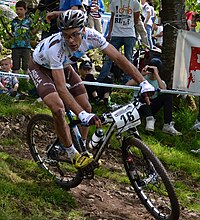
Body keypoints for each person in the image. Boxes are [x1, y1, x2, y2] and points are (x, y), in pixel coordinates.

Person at [29, 10, 154, 169]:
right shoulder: (56, 49)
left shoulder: (93, 36)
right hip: (40, 67)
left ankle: (82, 149)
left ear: (84, 30)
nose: (71, 40)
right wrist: (81, 114)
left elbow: (118, 58)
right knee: (58, 108)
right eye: (66, 35)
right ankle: (70, 153)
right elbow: (60, 88)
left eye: (75, 34)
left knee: (87, 106)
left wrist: (143, 82)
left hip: (64, 66)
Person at [126, 58, 182, 135]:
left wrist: (156, 74)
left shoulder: (161, 82)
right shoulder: (141, 79)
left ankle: (167, 124)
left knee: (168, 94)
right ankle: (149, 119)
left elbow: (164, 90)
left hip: (151, 106)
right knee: (144, 93)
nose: (151, 72)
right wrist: (141, 75)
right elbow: (127, 85)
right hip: (139, 106)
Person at [97, 0, 141, 84]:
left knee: (128, 59)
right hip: (116, 34)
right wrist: (109, 33)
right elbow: (112, 18)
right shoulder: (114, 2)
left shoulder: (135, 3)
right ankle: (101, 79)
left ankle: (126, 81)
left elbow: (136, 20)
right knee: (109, 57)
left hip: (129, 34)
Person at [11, 1, 38, 74]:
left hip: (26, 46)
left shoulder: (29, 21)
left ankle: (26, 83)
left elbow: (32, 32)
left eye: (20, 9)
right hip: (15, 46)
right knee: (15, 66)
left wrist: (38, 27)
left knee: (26, 66)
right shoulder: (14, 22)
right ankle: (15, 81)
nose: (18, 11)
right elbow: (12, 32)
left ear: (25, 10)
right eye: (17, 9)